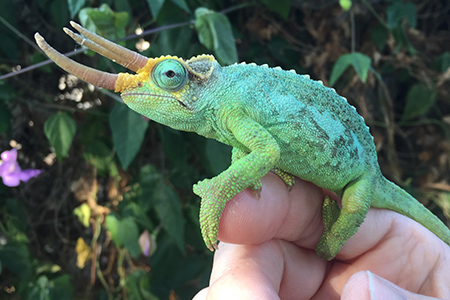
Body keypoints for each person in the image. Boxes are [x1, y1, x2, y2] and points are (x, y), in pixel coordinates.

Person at [193, 173, 450, 299]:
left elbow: (266, 152)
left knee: (328, 244)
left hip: (358, 177)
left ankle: (332, 238)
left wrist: (219, 188)